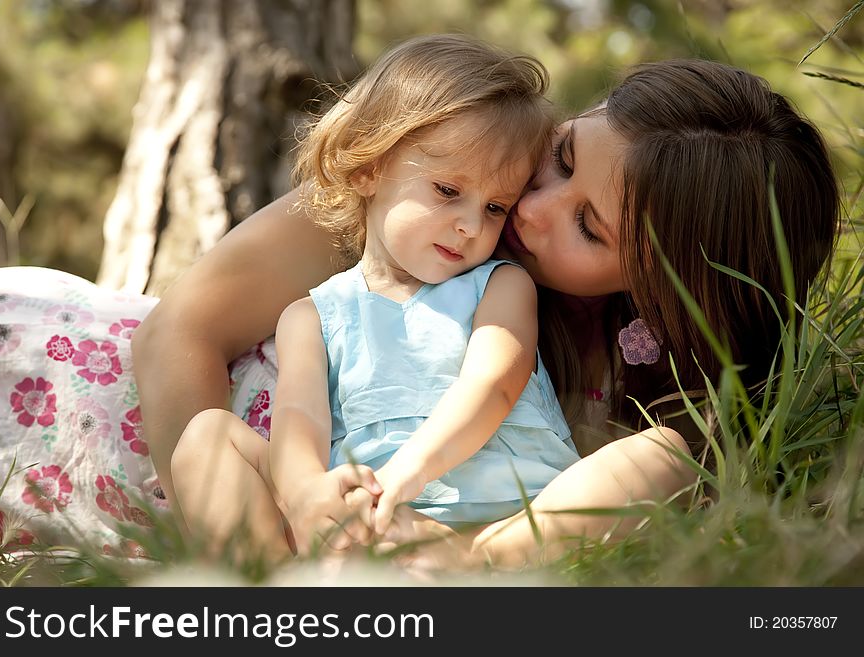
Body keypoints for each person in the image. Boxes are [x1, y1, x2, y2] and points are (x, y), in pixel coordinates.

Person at [0, 45, 838, 565]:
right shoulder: (442, 187)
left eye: (588, 225)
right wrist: (235, 553)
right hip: (96, 399)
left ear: (661, 284)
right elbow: (181, 329)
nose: (529, 208)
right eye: (567, 154)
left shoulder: (651, 389)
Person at [168, 34, 579, 557]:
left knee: (661, 455)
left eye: (496, 207)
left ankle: (470, 562)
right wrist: (307, 497)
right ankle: (273, 589)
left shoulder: (499, 284)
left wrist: (406, 473)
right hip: (374, 524)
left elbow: (492, 387)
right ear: (368, 166)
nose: (472, 225)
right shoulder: (312, 316)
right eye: (448, 191)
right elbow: (301, 427)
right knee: (206, 434)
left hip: (514, 518)